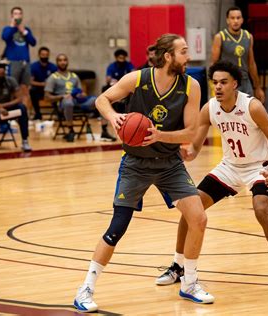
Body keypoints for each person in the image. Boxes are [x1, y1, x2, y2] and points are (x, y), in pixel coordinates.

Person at [73, 34, 214, 312]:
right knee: (117, 228)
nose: (189, 57)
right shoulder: (137, 79)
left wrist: (161, 135)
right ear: (167, 57)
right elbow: (102, 99)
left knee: (198, 218)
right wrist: (114, 117)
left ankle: (190, 283)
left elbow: (190, 131)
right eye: (183, 52)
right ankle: (85, 290)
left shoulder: (192, 85)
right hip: (135, 163)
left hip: (169, 163)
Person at [155, 61, 268, 296]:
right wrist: (186, 152)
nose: (218, 87)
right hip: (230, 167)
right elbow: (194, 147)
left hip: (258, 167)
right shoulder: (210, 108)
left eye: (223, 82)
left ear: (235, 84)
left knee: (261, 210)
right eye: (215, 83)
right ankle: (178, 266)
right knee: (191, 207)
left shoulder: (252, 107)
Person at [44, 53, 115, 142]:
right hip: (63, 102)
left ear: (67, 62)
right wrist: (62, 96)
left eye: (64, 60)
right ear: (57, 63)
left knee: (100, 100)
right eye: (60, 60)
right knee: (68, 102)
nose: (63, 62)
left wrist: (82, 94)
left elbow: (82, 92)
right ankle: (70, 130)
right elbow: (47, 97)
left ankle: (104, 131)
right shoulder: (53, 77)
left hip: (78, 101)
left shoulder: (74, 76)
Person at [211, 6, 265, 103]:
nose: (235, 21)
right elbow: (214, 64)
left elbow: (251, 63)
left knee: (248, 110)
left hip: (245, 80)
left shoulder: (248, 36)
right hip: (228, 81)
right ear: (227, 20)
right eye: (232, 18)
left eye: (238, 18)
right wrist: (213, 84)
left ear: (242, 20)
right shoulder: (220, 37)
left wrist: (257, 87)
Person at [1, 6, 36, 108]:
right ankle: (12, 115)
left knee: (25, 89)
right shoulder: (7, 29)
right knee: (12, 89)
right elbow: (5, 38)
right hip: (13, 62)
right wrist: (13, 27)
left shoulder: (26, 29)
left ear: (22, 15)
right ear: (12, 16)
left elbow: (33, 42)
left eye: (19, 13)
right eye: (15, 14)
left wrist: (24, 31)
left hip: (26, 62)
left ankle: (24, 114)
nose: (17, 16)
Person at [29, 47, 57, 120]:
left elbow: (57, 80)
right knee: (32, 91)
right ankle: (37, 114)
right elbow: (31, 81)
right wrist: (42, 84)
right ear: (39, 55)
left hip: (51, 90)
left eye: (46, 55)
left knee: (59, 91)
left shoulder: (53, 67)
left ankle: (59, 112)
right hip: (39, 89)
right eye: (43, 54)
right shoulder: (34, 66)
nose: (44, 56)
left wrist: (49, 86)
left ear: (48, 55)